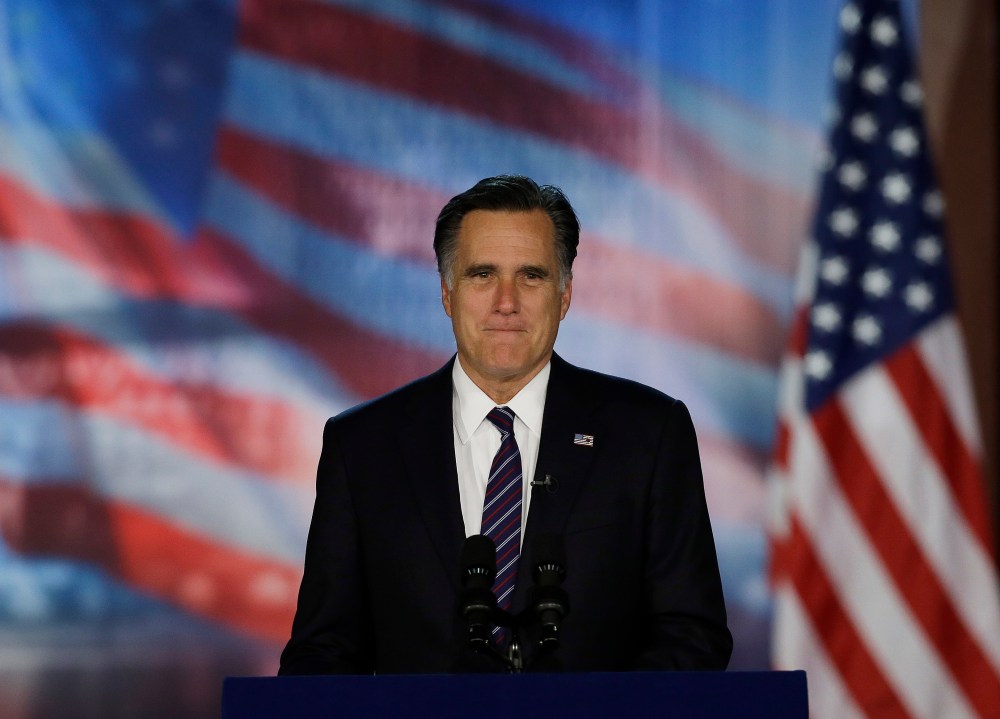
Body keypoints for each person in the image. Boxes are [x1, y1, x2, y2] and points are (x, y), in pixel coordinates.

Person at [279, 175, 732, 674]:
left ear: (564, 295)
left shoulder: (648, 434)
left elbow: (692, 637)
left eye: (532, 276)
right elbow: (322, 655)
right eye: (482, 275)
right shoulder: (363, 447)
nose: (506, 301)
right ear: (448, 294)